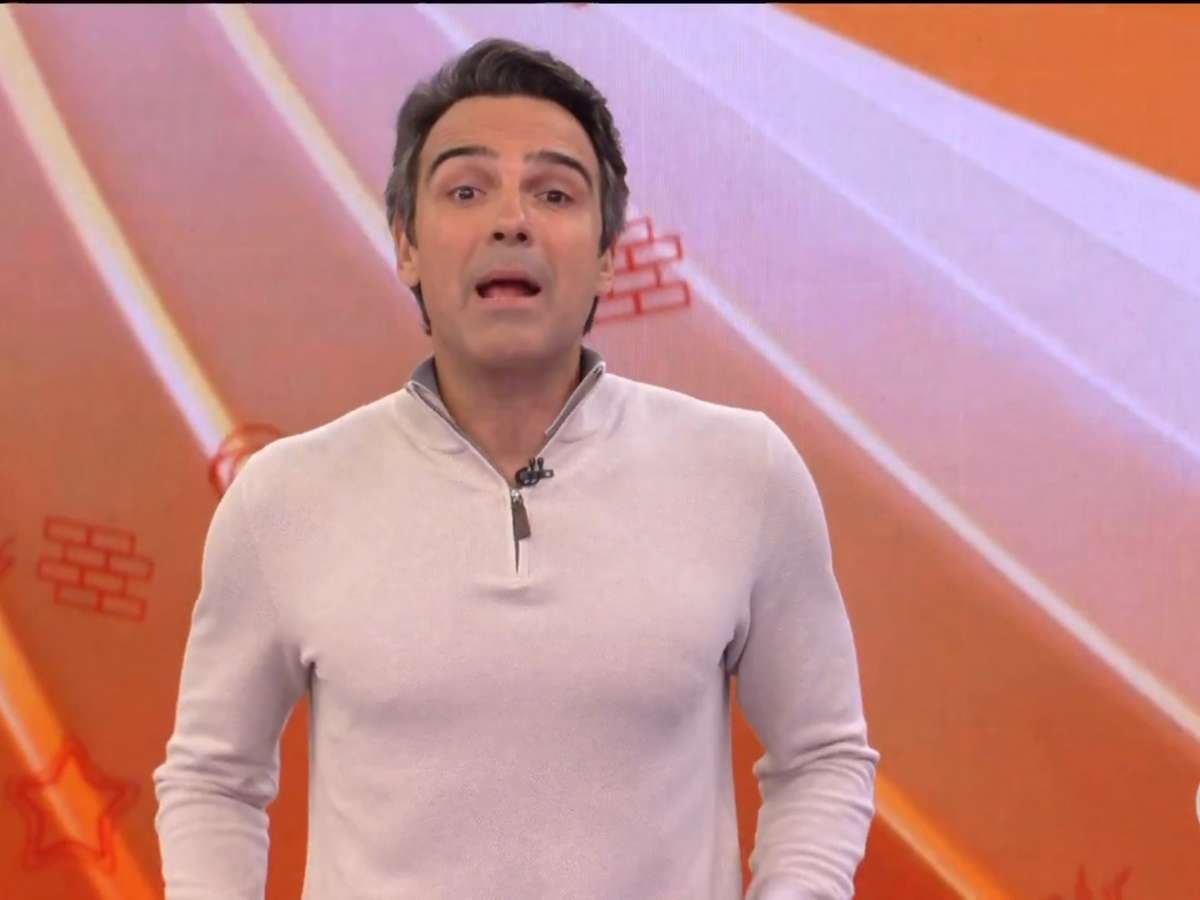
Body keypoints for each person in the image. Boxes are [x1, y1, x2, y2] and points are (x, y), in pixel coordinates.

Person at [152, 37, 879, 900]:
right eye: (466, 190)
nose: (511, 221)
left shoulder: (742, 470)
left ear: (607, 254)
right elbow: (213, 779)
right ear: (406, 246)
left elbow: (822, 756)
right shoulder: (284, 497)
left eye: (554, 193)